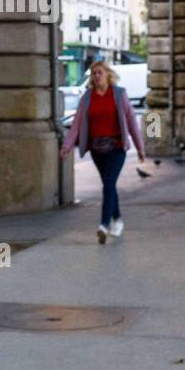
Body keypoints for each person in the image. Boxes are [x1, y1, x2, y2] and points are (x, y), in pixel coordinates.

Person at [61, 60, 145, 244]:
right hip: (97, 149)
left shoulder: (119, 94)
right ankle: (119, 220)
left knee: (108, 184)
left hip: (116, 147)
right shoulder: (87, 98)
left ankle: (104, 225)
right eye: (93, 73)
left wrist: (140, 147)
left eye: (99, 72)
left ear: (108, 74)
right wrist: (67, 146)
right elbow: (76, 124)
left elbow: (131, 121)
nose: (96, 76)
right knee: (109, 185)